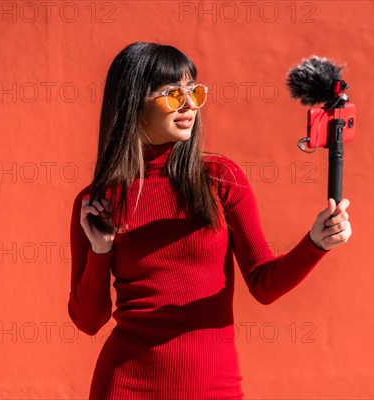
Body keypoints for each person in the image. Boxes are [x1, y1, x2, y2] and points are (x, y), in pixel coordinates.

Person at [68, 41, 352, 399]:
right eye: (172, 94)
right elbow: (88, 321)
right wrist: (100, 250)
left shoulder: (220, 178)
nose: (189, 105)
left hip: (212, 385)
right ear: (132, 101)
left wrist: (316, 244)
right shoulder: (97, 201)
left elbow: (263, 284)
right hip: (125, 386)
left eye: (194, 91)